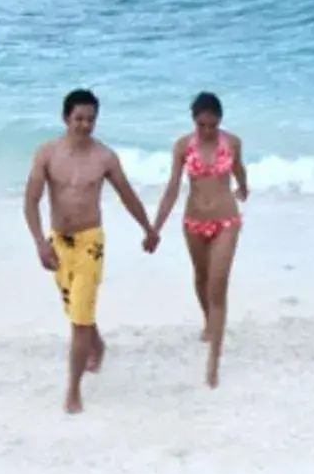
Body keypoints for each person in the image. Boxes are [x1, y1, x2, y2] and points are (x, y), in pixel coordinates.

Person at [23, 87, 158, 414]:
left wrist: (148, 228)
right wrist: (40, 242)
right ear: (65, 118)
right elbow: (31, 200)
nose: (85, 125)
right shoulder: (47, 153)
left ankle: (73, 391)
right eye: (79, 118)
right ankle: (97, 345)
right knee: (75, 308)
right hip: (58, 241)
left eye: (91, 119)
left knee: (79, 318)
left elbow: (127, 194)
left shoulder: (104, 157)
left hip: (90, 242)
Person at [150, 91, 248, 389]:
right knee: (202, 278)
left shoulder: (231, 143)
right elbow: (172, 189)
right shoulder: (182, 146)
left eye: (212, 125)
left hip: (226, 221)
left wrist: (244, 186)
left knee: (218, 285)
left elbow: (239, 168)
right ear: (194, 121)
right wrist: (155, 228)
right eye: (202, 125)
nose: (207, 131)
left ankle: (213, 362)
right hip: (193, 222)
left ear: (220, 121)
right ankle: (209, 321)